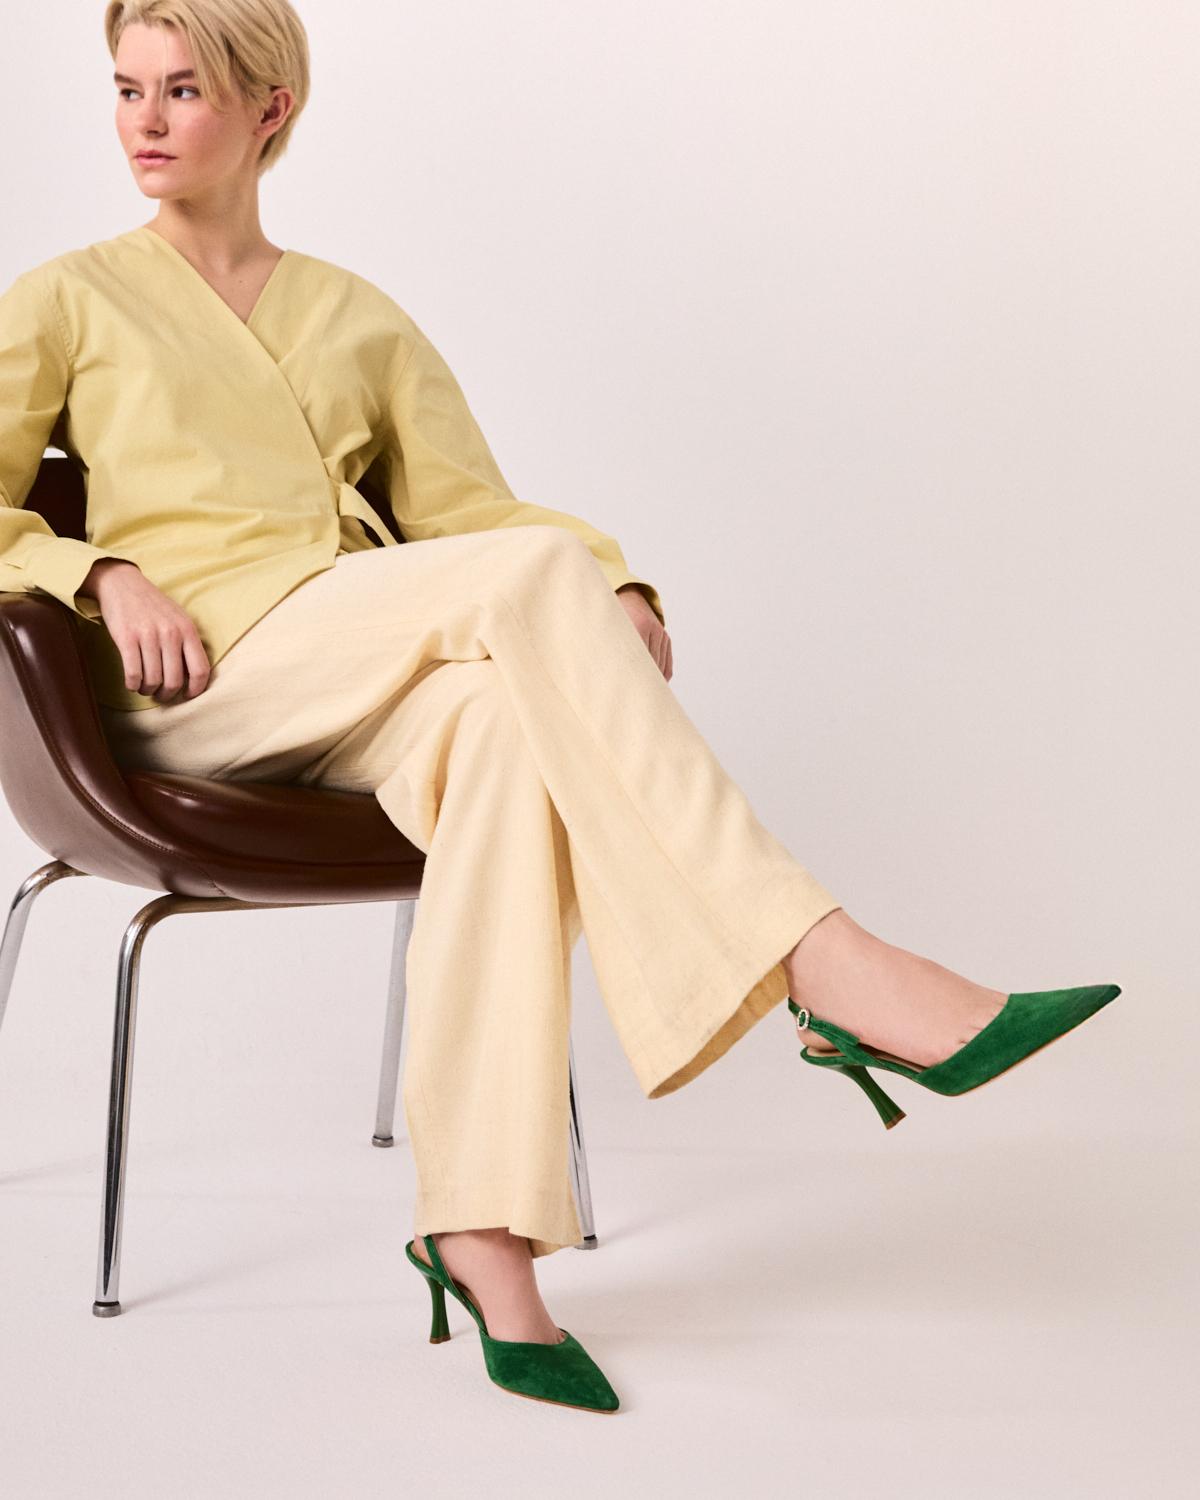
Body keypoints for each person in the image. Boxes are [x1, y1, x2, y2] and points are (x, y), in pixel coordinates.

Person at [0, 1, 1120, 1414]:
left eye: (183, 90)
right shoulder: (65, 298)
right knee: (537, 583)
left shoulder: (357, 316)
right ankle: (825, 965)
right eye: (127, 89)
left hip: (358, 664)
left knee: (505, 739)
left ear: (270, 108)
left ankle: (478, 1228)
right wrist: (99, 572)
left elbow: (475, 515)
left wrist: (613, 582)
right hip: (194, 686)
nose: (146, 123)